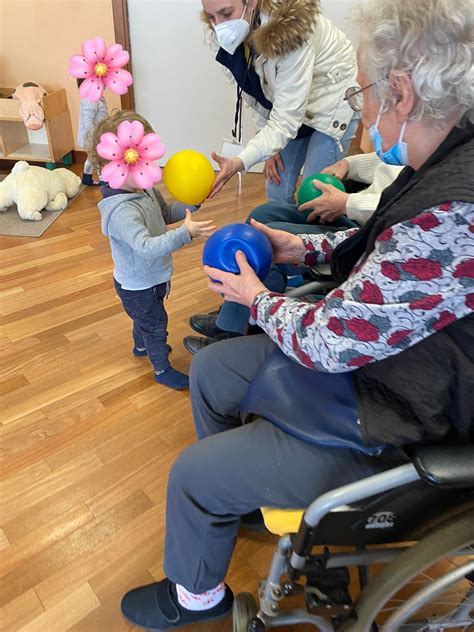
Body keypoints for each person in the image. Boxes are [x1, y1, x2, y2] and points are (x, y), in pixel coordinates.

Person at [120, 0, 473, 628]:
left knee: (192, 475)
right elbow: (376, 257)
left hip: (397, 413)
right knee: (212, 373)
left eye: (363, 88)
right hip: (376, 362)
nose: (359, 105)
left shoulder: (455, 214)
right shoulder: (434, 165)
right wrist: (297, 247)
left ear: (400, 93)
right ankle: (246, 496)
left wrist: (257, 297)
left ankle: (196, 596)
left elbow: (331, 340)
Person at [184, 153, 403, 353]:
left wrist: (349, 203)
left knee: (264, 244)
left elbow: (400, 209)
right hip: (357, 217)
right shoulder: (409, 143)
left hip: (371, 227)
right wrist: (349, 163)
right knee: (262, 214)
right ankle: (237, 313)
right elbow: (385, 163)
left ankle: (232, 331)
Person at [90, 111, 215, 390]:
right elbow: (146, 247)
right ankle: (161, 369)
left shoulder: (143, 190)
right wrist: (185, 235)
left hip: (152, 277)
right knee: (155, 324)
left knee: (144, 320)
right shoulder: (122, 211)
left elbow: (164, 213)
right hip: (138, 284)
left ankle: (141, 347)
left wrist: (192, 203)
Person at [202, 0, 359, 204]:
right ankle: (283, 232)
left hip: (332, 101)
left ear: (251, 2)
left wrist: (241, 160)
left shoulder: (291, 32)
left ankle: (312, 236)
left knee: (315, 194)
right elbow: (256, 94)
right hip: (292, 103)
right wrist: (266, 145)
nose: (219, 25)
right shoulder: (225, 33)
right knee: (276, 186)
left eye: (226, 13)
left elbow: (286, 120)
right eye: (211, 17)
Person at [76, 78, 108, 186]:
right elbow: (88, 123)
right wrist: (96, 138)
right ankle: (104, 181)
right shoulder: (90, 101)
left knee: (91, 158)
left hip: (97, 135)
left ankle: (86, 178)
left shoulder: (98, 99)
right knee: (99, 159)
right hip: (92, 137)